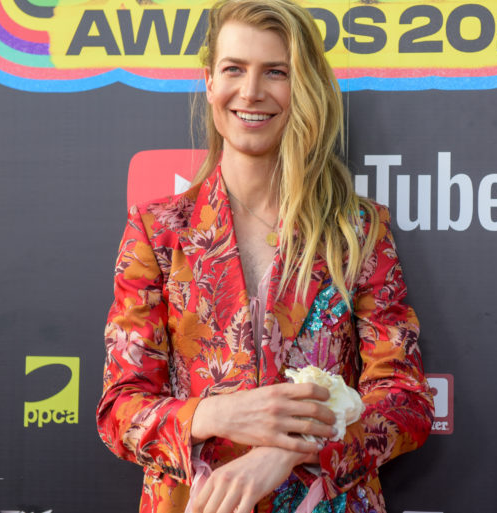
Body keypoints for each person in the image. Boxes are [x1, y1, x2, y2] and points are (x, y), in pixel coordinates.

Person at [96, 0, 434, 512]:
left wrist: (290, 448)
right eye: (234, 69)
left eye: (276, 72)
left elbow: (405, 400)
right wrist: (221, 415)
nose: (251, 91)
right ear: (210, 82)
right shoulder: (157, 230)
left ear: (303, 88)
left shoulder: (358, 231)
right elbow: (120, 409)